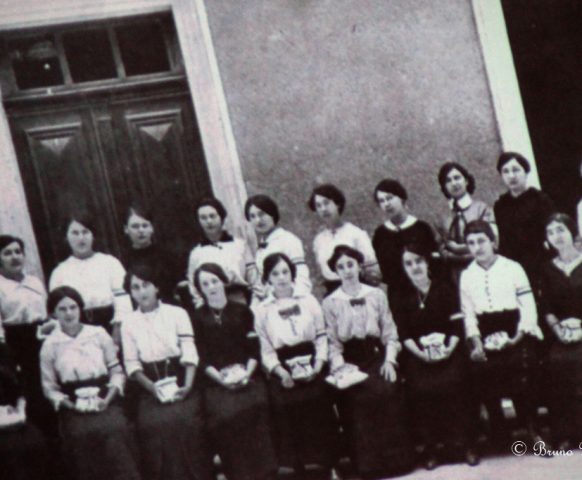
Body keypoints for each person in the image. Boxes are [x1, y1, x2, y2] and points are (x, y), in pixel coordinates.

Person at [322, 245, 413, 479]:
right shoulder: (330, 302)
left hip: (376, 355)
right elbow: (332, 342)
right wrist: (341, 367)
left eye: (350, 264)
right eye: (341, 267)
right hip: (350, 361)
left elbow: (390, 332)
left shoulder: (376, 295)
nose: (347, 270)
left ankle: (397, 462)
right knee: (357, 398)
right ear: (335, 271)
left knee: (386, 390)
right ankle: (368, 466)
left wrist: (390, 361)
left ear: (359, 266)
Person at [121, 264, 213, 480]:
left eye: (146, 285)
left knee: (185, 421)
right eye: (135, 287)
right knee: (154, 424)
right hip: (150, 387)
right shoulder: (128, 323)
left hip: (182, 380)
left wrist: (187, 386)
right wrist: (152, 388)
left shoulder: (177, 313)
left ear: (156, 288)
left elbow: (190, 353)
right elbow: (132, 365)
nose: (141, 292)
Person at [391, 243, 478, 469]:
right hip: (419, 355)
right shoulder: (402, 297)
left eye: (418, 261)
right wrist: (421, 354)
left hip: (450, 349)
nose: (414, 267)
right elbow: (404, 333)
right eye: (408, 263)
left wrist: (448, 349)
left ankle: (467, 445)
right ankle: (431, 449)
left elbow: (457, 326)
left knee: (456, 381)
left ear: (427, 262)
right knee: (420, 387)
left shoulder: (444, 288)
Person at [40, 286, 140, 480]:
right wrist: (72, 406)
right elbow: (49, 388)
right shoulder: (49, 346)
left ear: (80, 309)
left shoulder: (98, 334)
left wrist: (107, 399)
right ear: (53, 313)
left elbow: (117, 372)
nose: (69, 313)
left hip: (105, 399)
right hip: (74, 404)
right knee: (80, 436)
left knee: (115, 430)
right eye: (62, 309)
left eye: (73, 307)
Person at [254, 253, 339, 478]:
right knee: (285, 402)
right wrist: (281, 373)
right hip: (283, 367)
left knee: (319, 398)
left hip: (312, 360)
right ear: (267, 278)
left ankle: (326, 464)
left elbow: (322, 335)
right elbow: (266, 349)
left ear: (292, 274)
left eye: (285, 272)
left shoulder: (308, 300)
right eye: (275, 273)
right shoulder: (262, 310)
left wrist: (318, 365)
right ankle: (299, 466)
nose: (281, 278)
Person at [460, 220, 544, 445]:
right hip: (485, 331)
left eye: (481, 241)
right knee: (480, 369)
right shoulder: (467, 276)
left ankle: (532, 427)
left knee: (521, 366)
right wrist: (476, 342)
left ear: (492, 242)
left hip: (515, 328)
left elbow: (528, 307)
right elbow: (469, 315)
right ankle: (499, 431)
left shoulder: (512, 267)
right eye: (471, 243)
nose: (477, 247)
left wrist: (516, 338)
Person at [190, 263, 276, 480]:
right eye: (205, 284)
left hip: (248, 375)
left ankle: (266, 473)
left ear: (223, 281)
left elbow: (254, 349)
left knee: (256, 405)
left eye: (215, 281)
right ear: (200, 289)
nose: (211, 287)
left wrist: (247, 373)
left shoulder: (242, 310)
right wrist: (221, 379)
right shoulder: (197, 318)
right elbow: (200, 357)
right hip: (216, 382)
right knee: (225, 415)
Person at [0, 235, 54, 430]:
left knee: (50, 384)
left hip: (42, 336)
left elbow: (46, 311)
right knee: (31, 391)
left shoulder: (34, 281)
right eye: (7, 253)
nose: (14, 257)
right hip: (17, 343)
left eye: (18, 252)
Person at [49, 212, 132, 338]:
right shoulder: (59, 272)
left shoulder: (110, 262)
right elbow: (57, 311)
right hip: (77, 331)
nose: (81, 238)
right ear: (66, 237)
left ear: (93, 235)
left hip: (110, 326)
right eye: (75, 233)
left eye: (85, 232)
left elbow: (123, 301)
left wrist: (117, 331)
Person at [539, 213, 582, 449]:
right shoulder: (546, 269)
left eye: (560, 230)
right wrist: (558, 330)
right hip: (562, 333)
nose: (557, 236)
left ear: (572, 232)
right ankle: (567, 434)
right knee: (556, 363)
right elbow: (545, 307)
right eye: (551, 232)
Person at [493, 152, 554, 291]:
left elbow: (549, 236)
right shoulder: (501, 205)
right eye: (506, 171)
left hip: (540, 262)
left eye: (516, 170)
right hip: (514, 265)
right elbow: (503, 239)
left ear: (526, 172)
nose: (511, 176)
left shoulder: (540, 200)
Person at [371, 179, 438, 303]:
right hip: (398, 297)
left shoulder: (422, 228)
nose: (386, 204)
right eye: (382, 201)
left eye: (389, 198)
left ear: (401, 198)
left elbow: (434, 264)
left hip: (425, 293)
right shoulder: (380, 234)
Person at [308, 184, 380, 293]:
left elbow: (374, 273)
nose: (323, 209)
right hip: (333, 293)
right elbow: (323, 273)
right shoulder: (318, 240)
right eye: (318, 205)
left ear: (337, 204)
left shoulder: (356, 234)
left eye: (326, 203)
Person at [435, 162, 496, 284]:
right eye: (448, 180)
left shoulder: (482, 209)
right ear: (444, 186)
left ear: (466, 181)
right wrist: (460, 252)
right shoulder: (442, 217)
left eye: (457, 178)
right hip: (455, 275)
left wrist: (455, 248)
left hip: (483, 270)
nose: (454, 183)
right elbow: (442, 250)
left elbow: (491, 243)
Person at [187, 197, 255, 306]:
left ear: (222, 218)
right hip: (212, 305)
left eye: (212, 216)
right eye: (203, 218)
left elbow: (252, 276)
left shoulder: (239, 245)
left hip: (240, 301)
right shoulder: (196, 253)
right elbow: (193, 286)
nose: (209, 221)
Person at [245, 194, 312, 302]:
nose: (257, 220)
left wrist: (297, 301)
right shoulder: (262, 246)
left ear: (272, 214)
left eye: (261, 214)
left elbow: (301, 276)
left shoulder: (288, 240)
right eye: (252, 216)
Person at [0, 342, 50, 480]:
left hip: (10, 417)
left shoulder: (3, 349)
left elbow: (20, 386)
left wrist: (20, 408)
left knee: (34, 441)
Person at [121, 204, 181, 305]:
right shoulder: (123, 261)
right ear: (126, 229)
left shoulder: (168, 256)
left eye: (145, 225)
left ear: (152, 228)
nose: (141, 230)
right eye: (135, 226)